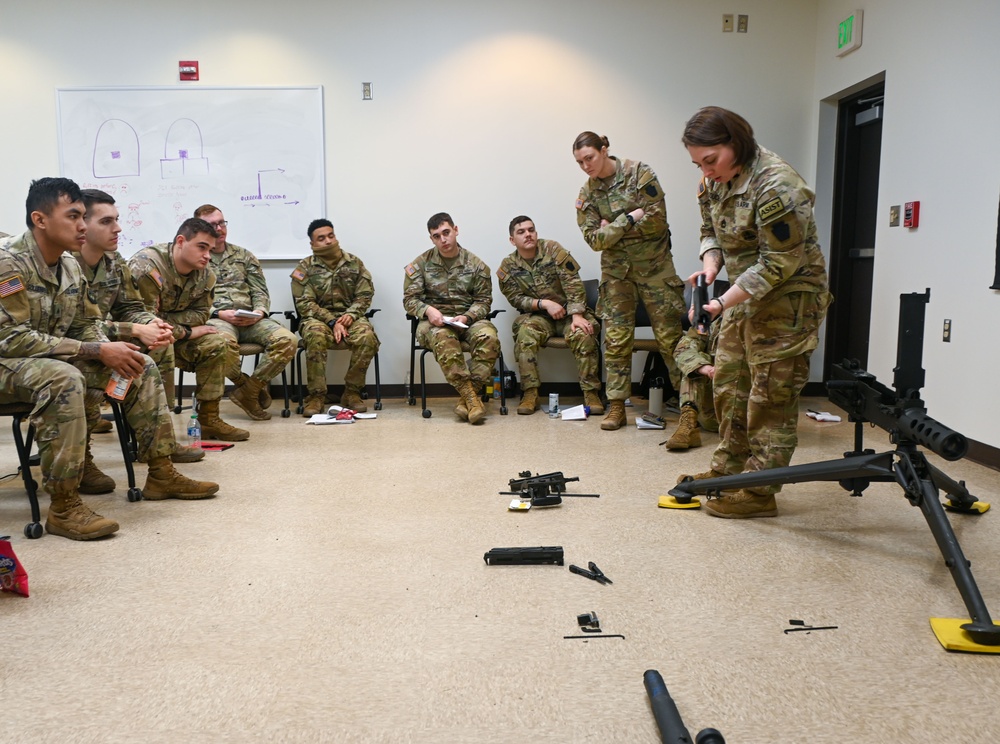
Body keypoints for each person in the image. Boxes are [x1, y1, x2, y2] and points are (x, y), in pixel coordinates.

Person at [0, 178, 220, 540]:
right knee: (64, 377)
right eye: (73, 216)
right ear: (40, 220)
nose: (83, 225)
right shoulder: (9, 263)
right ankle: (64, 506)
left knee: (139, 364)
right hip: (8, 362)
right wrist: (97, 350)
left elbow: (85, 322)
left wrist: (110, 349)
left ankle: (161, 473)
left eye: (84, 216)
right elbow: (11, 338)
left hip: (44, 359)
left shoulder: (69, 265)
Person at [679, 106, 832, 518]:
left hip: (788, 298)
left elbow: (778, 262)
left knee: (770, 395)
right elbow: (709, 229)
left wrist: (719, 302)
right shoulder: (712, 183)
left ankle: (760, 491)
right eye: (699, 163)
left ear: (737, 143)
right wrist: (711, 264)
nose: (706, 171)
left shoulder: (778, 185)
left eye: (711, 160)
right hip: (743, 296)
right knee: (730, 382)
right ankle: (729, 469)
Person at [75, 189, 204, 497]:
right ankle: (81, 460)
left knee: (156, 347)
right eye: (106, 221)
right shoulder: (64, 263)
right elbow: (74, 324)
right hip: (70, 350)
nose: (118, 228)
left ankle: (161, 465)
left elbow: (130, 305)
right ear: (82, 224)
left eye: (117, 220)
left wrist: (150, 324)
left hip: (101, 342)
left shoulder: (113, 260)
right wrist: (132, 328)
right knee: (136, 363)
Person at [573, 131, 687, 431]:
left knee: (672, 340)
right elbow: (595, 241)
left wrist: (614, 228)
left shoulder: (639, 173)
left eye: (590, 158)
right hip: (616, 276)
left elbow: (658, 220)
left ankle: (692, 408)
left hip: (655, 270)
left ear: (604, 149)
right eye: (580, 162)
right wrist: (631, 217)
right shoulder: (587, 194)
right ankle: (615, 407)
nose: (586, 166)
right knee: (616, 341)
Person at [129, 218, 250, 442]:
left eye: (211, 250)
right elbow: (144, 321)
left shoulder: (205, 274)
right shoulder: (147, 266)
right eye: (202, 247)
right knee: (160, 342)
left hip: (174, 336)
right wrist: (187, 332)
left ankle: (209, 419)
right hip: (141, 340)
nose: (207, 255)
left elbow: (202, 314)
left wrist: (174, 323)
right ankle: (155, 430)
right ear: (181, 241)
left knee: (218, 343)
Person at [195, 204, 296, 421]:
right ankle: (241, 383)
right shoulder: (195, 258)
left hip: (250, 319)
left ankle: (250, 390)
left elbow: (260, 290)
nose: (219, 229)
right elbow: (191, 299)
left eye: (222, 223)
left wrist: (259, 311)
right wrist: (218, 313)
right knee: (221, 345)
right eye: (212, 225)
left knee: (288, 340)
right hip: (218, 320)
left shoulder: (244, 255)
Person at [497, 215, 603, 416]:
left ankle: (591, 393)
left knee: (583, 334)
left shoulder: (553, 250)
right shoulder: (508, 267)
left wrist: (578, 315)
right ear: (512, 240)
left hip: (569, 314)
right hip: (540, 317)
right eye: (521, 232)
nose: (528, 234)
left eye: (531, 230)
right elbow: (515, 298)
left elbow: (573, 283)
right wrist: (543, 304)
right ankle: (530, 393)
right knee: (525, 334)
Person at [402, 212, 500, 424]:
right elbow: (409, 300)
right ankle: (471, 397)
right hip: (434, 323)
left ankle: (467, 399)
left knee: (489, 337)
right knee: (444, 337)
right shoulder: (420, 264)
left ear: (456, 230)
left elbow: (484, 301)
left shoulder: (477, 265)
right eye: (437, 236)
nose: (443, 239)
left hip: (467, 319)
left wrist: (467, 316)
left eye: (446, 232)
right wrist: (428, 311)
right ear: (432, 239)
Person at [291, 219, 380, 416]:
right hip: (318, 320)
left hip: (351, 317)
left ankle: (352, 393)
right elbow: (305, 303)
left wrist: (350, 315)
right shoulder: (304, 268)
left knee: (367, 337)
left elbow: (364, 295)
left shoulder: (354, 263)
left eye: (331, 236)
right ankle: (316, 396)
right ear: (313, 244)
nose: (328, 241)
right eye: (321, 238)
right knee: (314, 335)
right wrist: (332, 321)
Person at [662, 307, 720, 451]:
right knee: (696, 365)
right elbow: (684, 347)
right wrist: (705, 368)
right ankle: (688, 423)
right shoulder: (708, 325)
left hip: (746, 412)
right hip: (713, 410)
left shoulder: (760, 325)